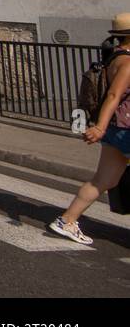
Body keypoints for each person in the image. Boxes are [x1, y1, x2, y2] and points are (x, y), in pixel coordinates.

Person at [50, 15, 130, 246]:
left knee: (102, 181)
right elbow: (114, 96)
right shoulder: (127, 63)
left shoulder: (113, 58)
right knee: (102, 180)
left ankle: (66, 221)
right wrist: (100, 127)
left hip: (116, 130)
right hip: (125, 128)